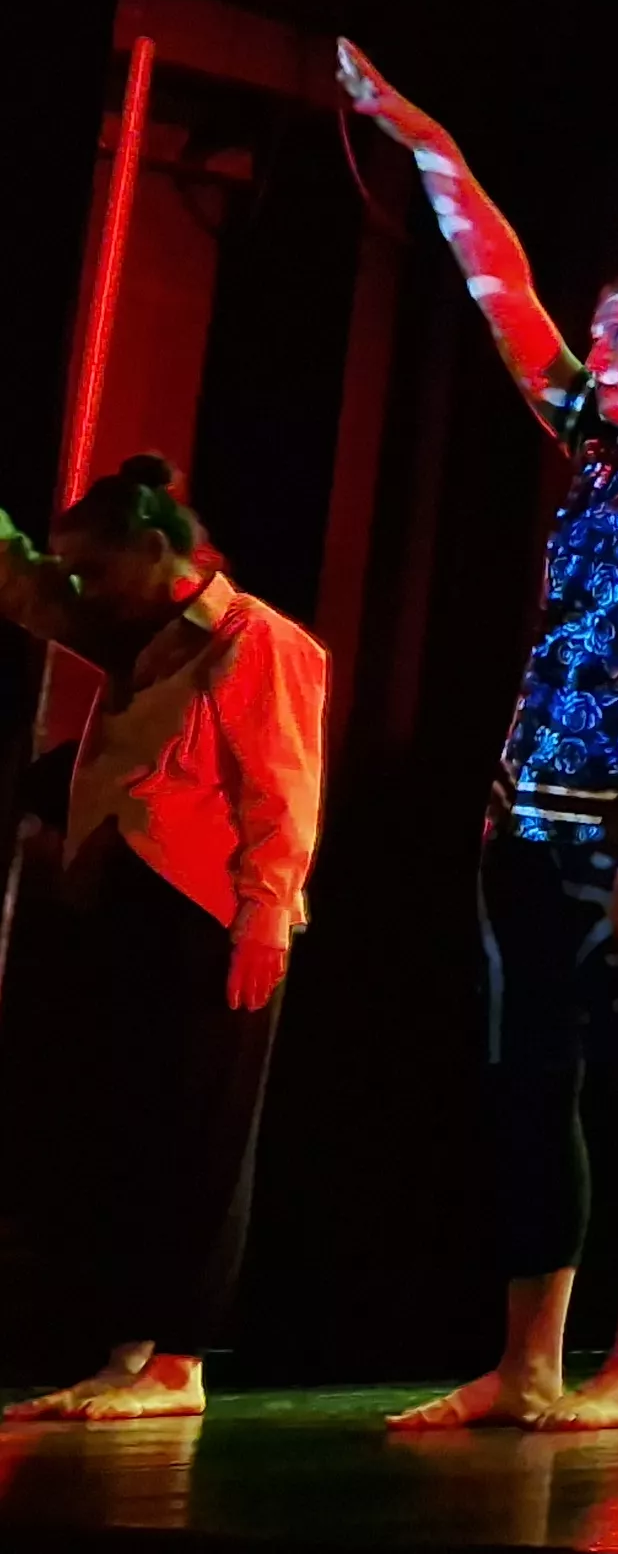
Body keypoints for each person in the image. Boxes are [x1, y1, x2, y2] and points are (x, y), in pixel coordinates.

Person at [339, 44, 618, 1436]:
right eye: (600, 333)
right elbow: (501, 287)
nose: (599, 351)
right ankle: (528, 1359)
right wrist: (427, 141)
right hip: (527, 803)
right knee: (525, 1072)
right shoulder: (595, 451)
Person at [0, 460, 325, 1424]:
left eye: (96, 571)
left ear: (153, 551)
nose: (82, 590)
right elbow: (27, 586)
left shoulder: (254, 638)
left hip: (212, 912)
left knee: (200, 1134)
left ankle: (180, 1360)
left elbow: (284, 785)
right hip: (131, 903)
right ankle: (129, 1350)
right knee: (130, 1128)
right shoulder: (135, 627)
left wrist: (266, 913)